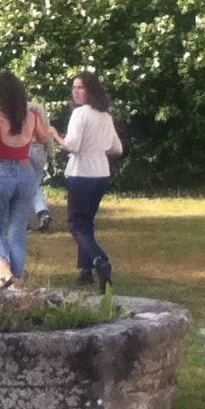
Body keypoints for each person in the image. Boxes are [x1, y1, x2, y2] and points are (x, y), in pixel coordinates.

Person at [0, 72, 48, 289]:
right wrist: (40, 118)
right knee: (17, 229)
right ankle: (18, 280)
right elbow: (43, 137)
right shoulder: (31, 116)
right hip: (26, 174)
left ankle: (3, 268)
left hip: (1, 173)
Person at [50, 71, 123, 291]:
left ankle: (100, 261)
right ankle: (86, 271)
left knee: (76, 225)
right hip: (101, 173)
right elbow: (117, 148)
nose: (76, 92)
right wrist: (98, 146)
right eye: (74, 88)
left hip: (81, 173)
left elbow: (73, 146)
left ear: (90, 90)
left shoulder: (80, 114)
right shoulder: (105, 116)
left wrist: (55, 135)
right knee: (87, 223)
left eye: (80, 87)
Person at [28, 100, 53, 232]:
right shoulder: (38, 108)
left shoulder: (12, 108)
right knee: (35, 184)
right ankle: (43, 212)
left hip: (22, 150)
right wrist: (51, 154)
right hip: (39, 149)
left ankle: (23, 222)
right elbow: (47, 132)